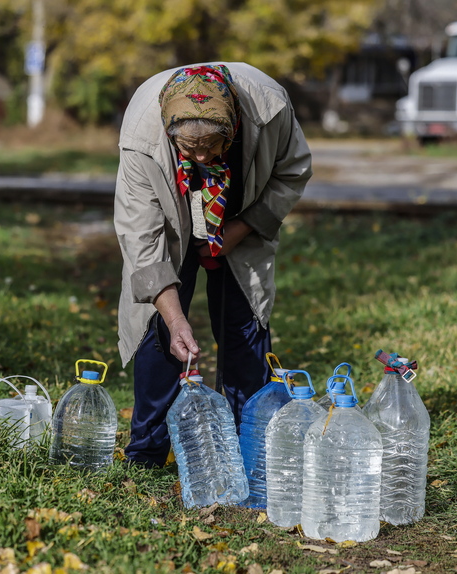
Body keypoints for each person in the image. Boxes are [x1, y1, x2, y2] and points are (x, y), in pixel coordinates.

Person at [113, 62, 312, 468]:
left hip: (241, 210)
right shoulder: (141, 137)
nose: (202, 156)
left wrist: (240, 228)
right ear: (170, 136)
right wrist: (175, 318)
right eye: (190, 148)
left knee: (244, 325)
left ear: (234, 125)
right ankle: (147, 453)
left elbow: (292, 172)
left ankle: (247, 448)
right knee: (160, 328)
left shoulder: (270, 108)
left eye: (212, 146)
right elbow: (141, 238)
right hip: (172, 224)